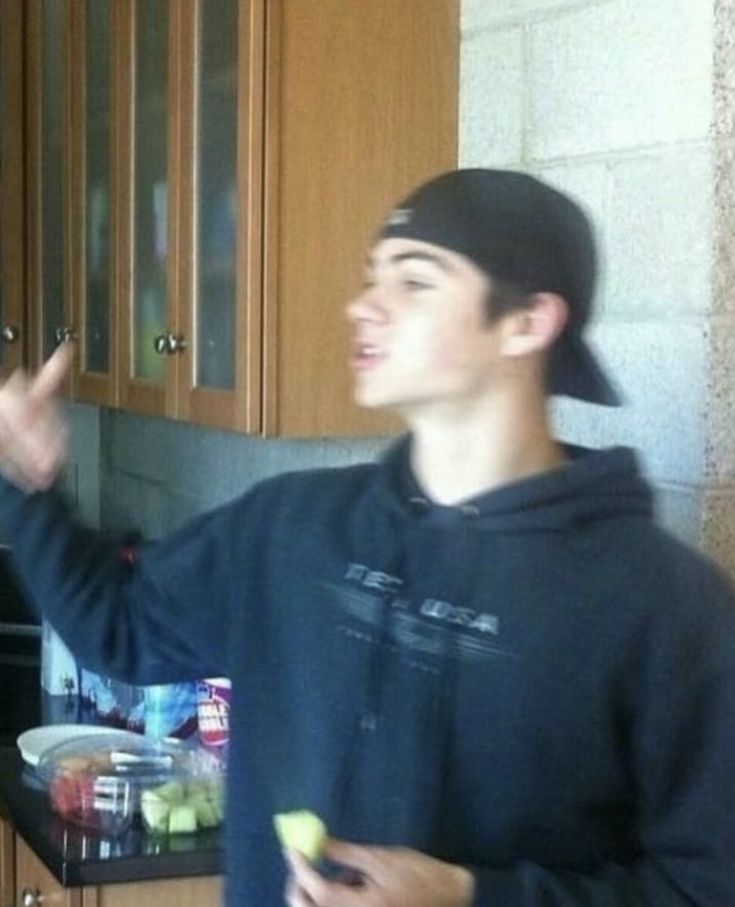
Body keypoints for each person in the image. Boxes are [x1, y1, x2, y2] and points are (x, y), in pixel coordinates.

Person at [1, 168, 734, 907]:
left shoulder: (665, 605)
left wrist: (473, 897)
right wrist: (26, 484)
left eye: (414, 281)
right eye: (370, 278)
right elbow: (117, 626)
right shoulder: (288, 528)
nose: (362, 306)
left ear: (527, 321)